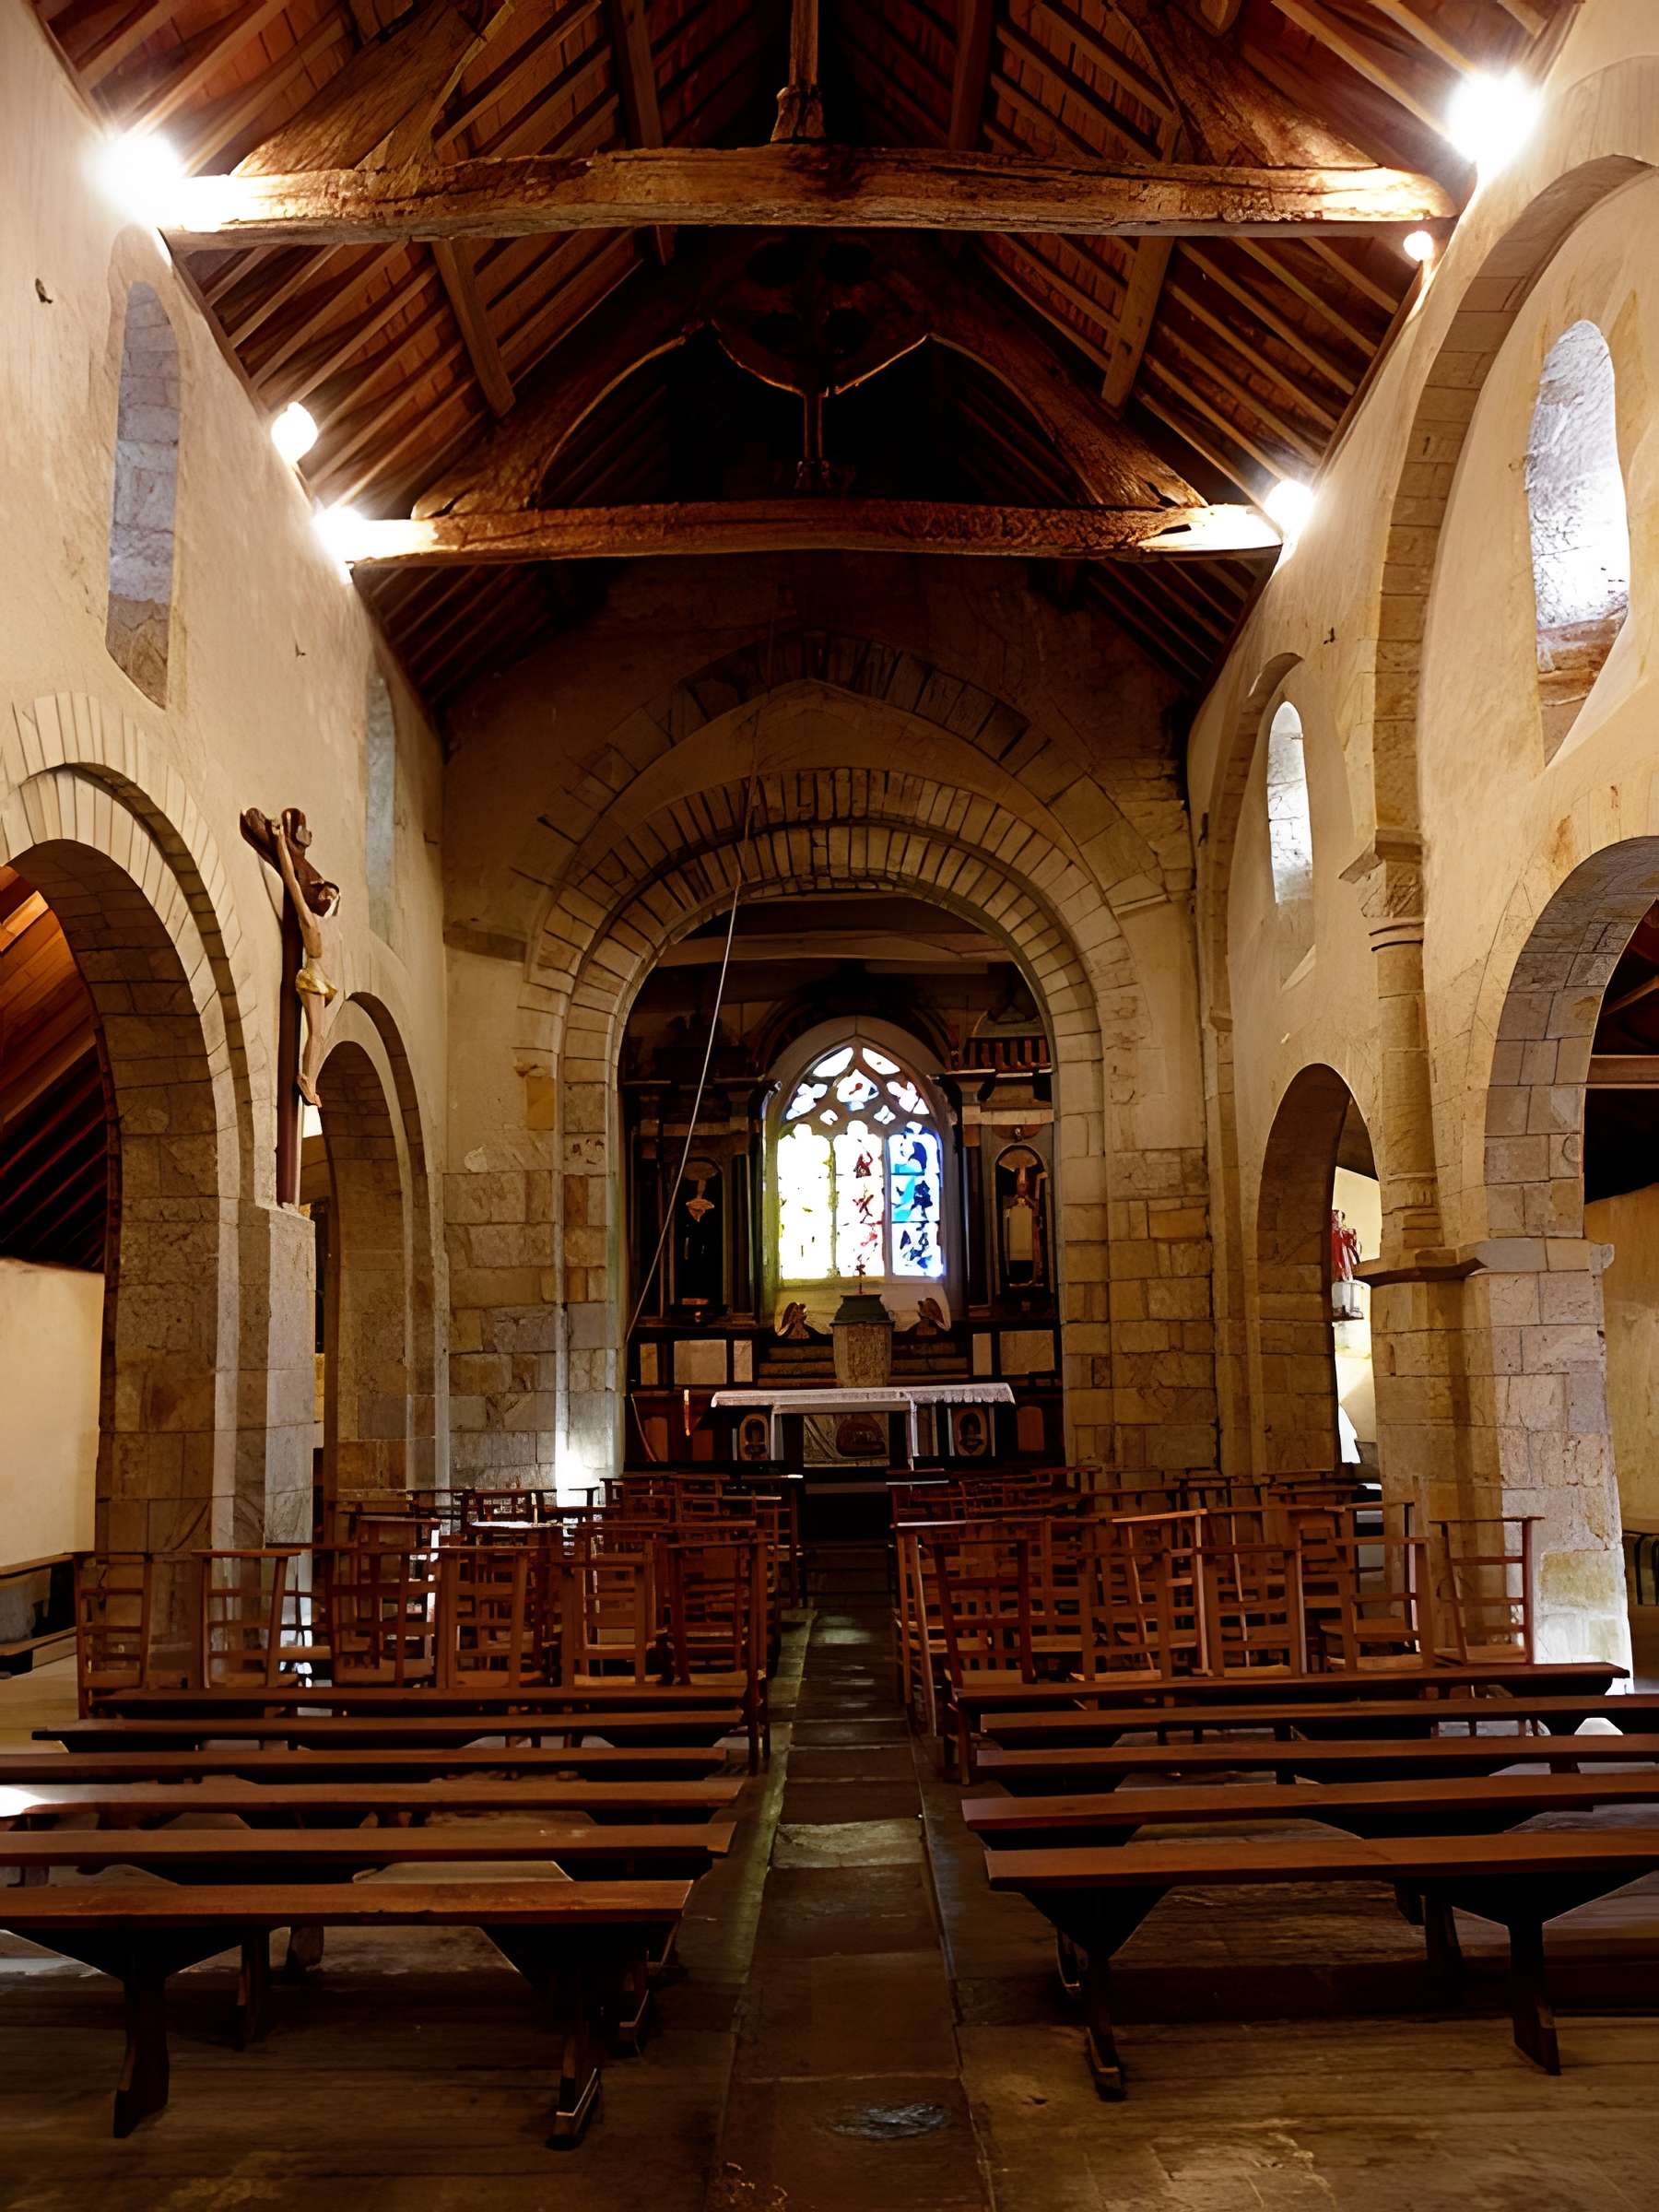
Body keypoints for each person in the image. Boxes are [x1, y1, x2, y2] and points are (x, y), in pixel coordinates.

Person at [273, 808, 341, 1108]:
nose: (329, 897)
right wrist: (280, 844)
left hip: (323, 982)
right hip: (312, 979)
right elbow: (291, 881)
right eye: (325, 893)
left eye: (333, 895)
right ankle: (307, 1080)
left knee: (321, 1036)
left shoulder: (331, 926)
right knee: (316, 1034)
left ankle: (311, 1079)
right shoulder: (311, 922)